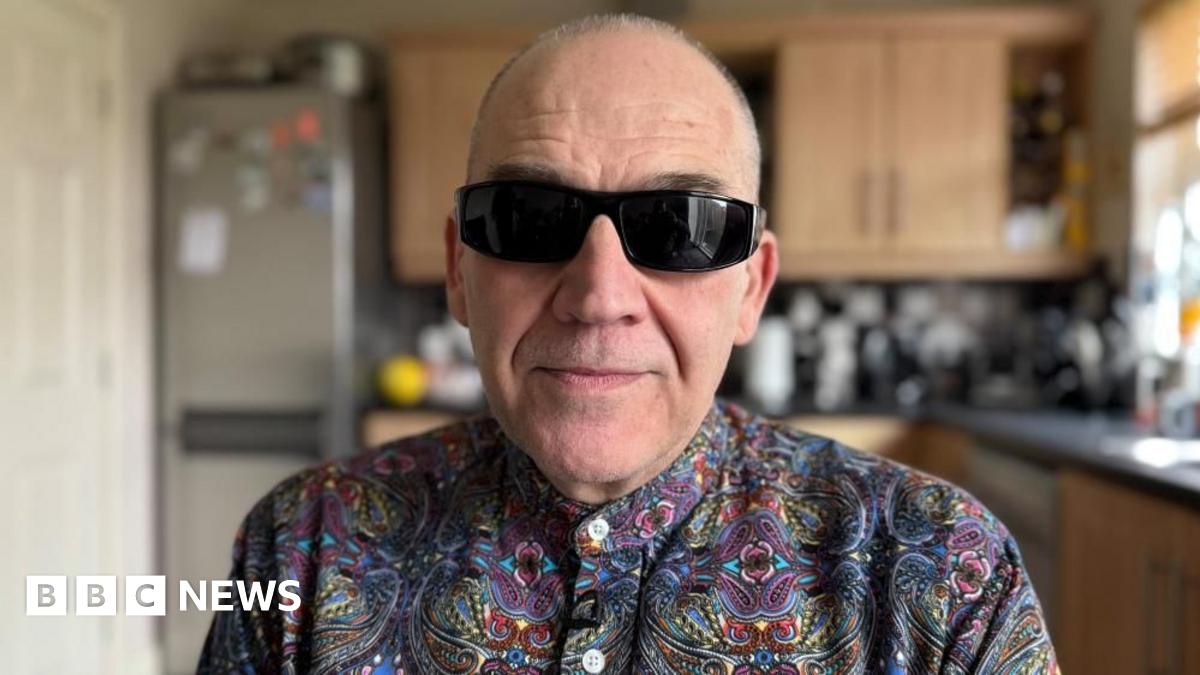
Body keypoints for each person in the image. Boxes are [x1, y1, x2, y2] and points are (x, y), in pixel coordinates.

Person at [199, 14, 1058, 674]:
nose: (599, 296)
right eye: (533, 219)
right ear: (460, 271)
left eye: (679, 226)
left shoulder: (946, 576)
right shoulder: (302, 546)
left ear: (751, 287)